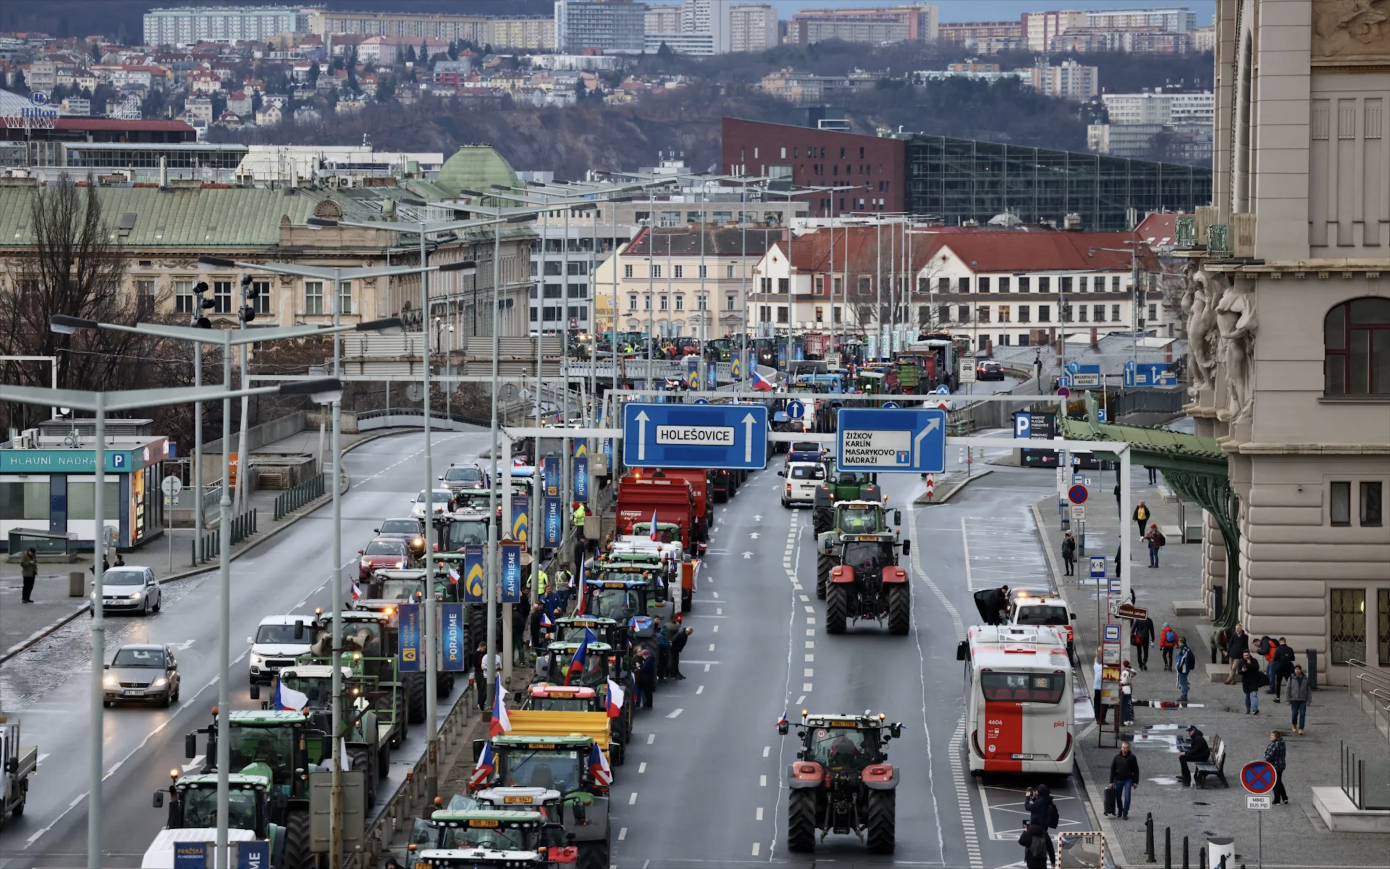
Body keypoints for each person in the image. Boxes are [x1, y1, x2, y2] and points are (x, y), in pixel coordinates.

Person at [1108, 742, 1139, 820]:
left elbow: (1136, 770)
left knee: (1127, 796)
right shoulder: (1116, 758)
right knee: (1118, 797)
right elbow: (1112, 769)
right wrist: (1111, 781)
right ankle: (1120, 810)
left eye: (1125, 748)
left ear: (1128, 749)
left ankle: (1125, 812)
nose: (1124, 749)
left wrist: (1135, 781)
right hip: (1118, 779)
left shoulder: (1132, 758)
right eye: (1123, 747)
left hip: (1128, 779)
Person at [1266, 730, 1289, 804]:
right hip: (1281, 765)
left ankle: (1277, 799)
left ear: (1276, 737)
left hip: (1275, 766)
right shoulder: (1282, 743)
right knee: (1279, 781)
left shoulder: (1275, 744)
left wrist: (1266, 758)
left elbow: (1270, 756)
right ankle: (1285, 798)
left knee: (1274, 783)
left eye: (1272, 735)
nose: (1270, 736)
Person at [1288, 665, 1311, 734]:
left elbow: (1308, 690)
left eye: (1298, 669)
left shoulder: (1305, 678)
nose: (1297, 670)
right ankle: (1294, 724)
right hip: (1294, 699)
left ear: (1300, 670)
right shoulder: (1291, 678)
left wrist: (1309, 700)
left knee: (1302, 714)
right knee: (1294, 714)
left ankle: (1301, 728)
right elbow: (1288, 689)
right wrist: (1287, 699)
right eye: (1296, 669)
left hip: (1303, 699)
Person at [1273, 637, 1296, 701]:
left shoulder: (1278, 649)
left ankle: (1278, 698)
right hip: (1287, 667)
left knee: (1278, 683)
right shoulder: (1290, 649)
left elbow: (1274, 658)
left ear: (1280, 642)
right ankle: (1291, 697)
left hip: (1279, 667)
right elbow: (1293, 659)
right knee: (1289, 683)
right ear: (1285, 641)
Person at [1174, 636, 1195, 701]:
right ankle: (1185, 689)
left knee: (1183, 682)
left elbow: (1182, 660)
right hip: (1186, 668)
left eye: (1179, 642)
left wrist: (1178, 667)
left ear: (1181, 642)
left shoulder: (1183, 650)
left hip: (1183, 669)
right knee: (1183, 681)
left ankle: (1184, 695)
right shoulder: (1187, 649)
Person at [1092, 647, 1108, 725]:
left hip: (1097, 688)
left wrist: (1097, 653)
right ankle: (1102, 719)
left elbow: (1095, 660)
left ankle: (1097, 718)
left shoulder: (1096, 667)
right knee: (1104, 704)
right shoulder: (1107, 668)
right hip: (1104, 688)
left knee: (1097, 704)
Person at [472, 644, 488, 712]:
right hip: (479, 672)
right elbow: (475, 664)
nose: (484, 650)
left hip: (481, 672)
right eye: (484, 648)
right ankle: (480, 702)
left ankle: (481, 702)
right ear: (480, 646)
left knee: (483, 688)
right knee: (481, 688)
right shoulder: (476, 654)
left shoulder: (482, 654)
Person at [1120, 660, 1137, 725]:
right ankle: (1130, 718)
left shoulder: (1125, 672)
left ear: (1124, 665)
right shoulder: (1130, 671)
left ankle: (1126, 719)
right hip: (1129, 687)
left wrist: (1119, 682)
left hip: (1125, 688)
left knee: (1125, 704)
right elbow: (1135, 673)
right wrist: (1129, 669)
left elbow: (1124, 681)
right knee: (1129, 703)